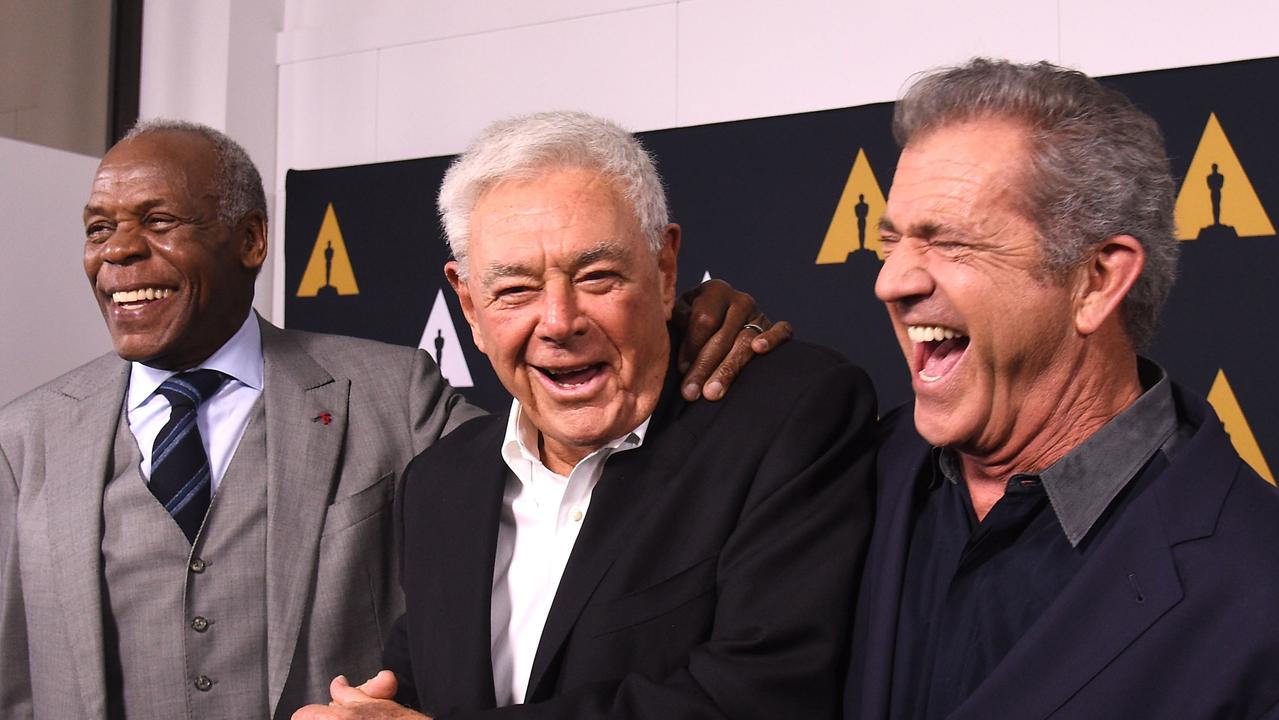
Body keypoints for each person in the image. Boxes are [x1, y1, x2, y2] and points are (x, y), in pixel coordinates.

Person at [0, 119, 789, 720]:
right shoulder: (24, 438)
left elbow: (567, 444)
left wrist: (684, 318)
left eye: (158, 221)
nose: (120, 253)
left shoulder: (392, 390)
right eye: (99, 228)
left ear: (249, 239)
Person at [294, 111, 877, 720]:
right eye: (514, 289)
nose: (558, 321)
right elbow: (423, 688)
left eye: (597, 277)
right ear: (467, 303)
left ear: (663, 267)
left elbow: (763, 694)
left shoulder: (792, 419)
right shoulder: (441, 483)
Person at [846, 58, 1279, 719]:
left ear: (1098, 280)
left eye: (951, 243)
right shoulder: (847, 469)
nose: (891, 281)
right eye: (891, 241)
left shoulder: (1256, 583)